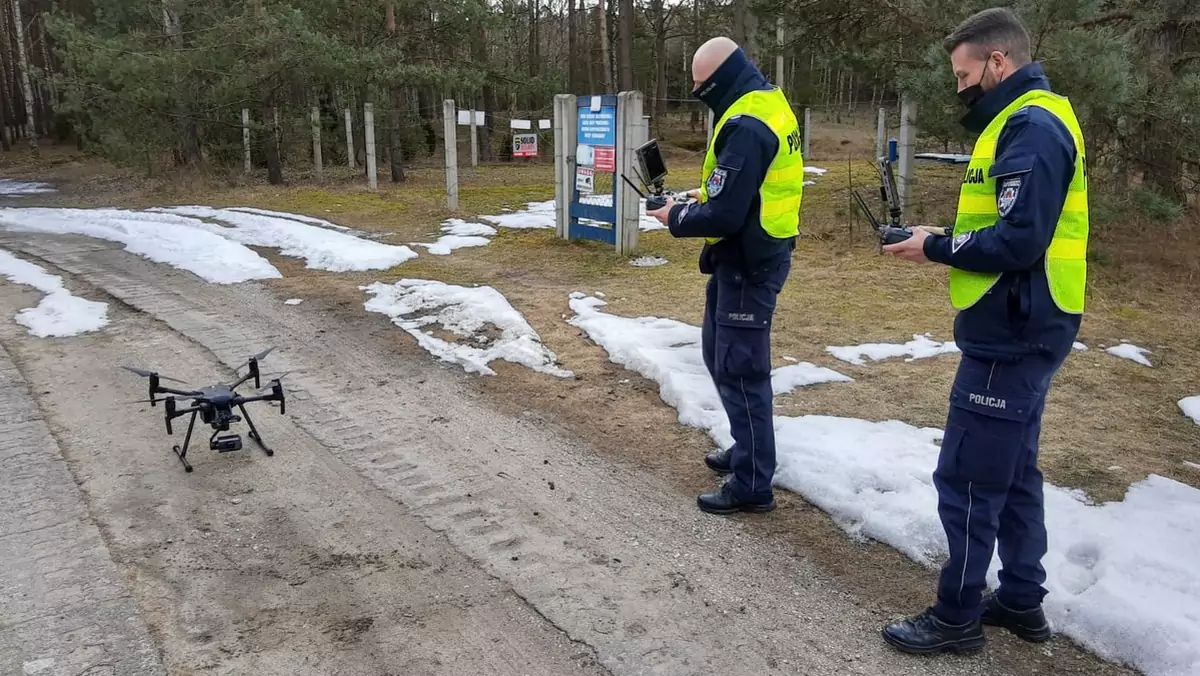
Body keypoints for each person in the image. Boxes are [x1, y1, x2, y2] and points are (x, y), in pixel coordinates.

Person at [878, 7, 1088, 654]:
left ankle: (956, 616)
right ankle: (1022, 600)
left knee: (968, 477)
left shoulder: (1029, 125)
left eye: (965, 75)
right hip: (1029, 321)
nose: (961, 88)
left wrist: (936, 248)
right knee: (1015, 468)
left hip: (1014, 328)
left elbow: (1019, 240)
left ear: (999, 62)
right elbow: (1012, 224)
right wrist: (941, 239)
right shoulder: (1028, 121)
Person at [646, 36, 804, 515]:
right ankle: (746, 447)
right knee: (718, 355)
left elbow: (725, 217)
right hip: (745, 258)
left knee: (741, 371)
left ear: (721, 78)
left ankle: (754, 482)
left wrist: (674, 217)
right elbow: (739, 187)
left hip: (750, 262)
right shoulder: (763, 103)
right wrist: (700, 194)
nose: (698, 95)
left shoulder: (747, 123)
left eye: (701, 87)